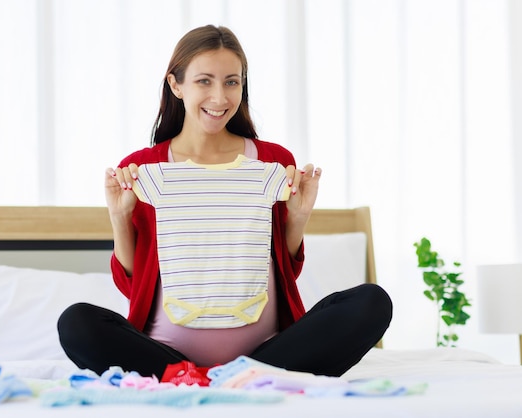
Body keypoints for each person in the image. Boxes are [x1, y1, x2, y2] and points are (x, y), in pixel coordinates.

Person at [57, 24, 392, 380]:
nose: (219, 97)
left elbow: (285, 273)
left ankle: (248, 376)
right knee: (77, 323)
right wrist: (119, 218)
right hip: (164, 353)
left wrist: (298, 217)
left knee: (372, 302)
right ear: (176, 84)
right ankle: (195, 376)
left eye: (231, 81)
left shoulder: (272, 162)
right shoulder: (142, 169)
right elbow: (132, 285)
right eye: (204, 81)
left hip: (270, 351)